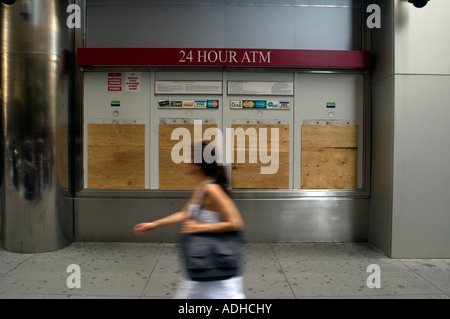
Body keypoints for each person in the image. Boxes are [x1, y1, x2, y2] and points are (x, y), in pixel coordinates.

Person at [133, 141, 245, 299]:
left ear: (198, 163)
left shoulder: (213, 189)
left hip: (216, 270)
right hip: (202, 265)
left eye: (189, 158)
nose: (185, 161)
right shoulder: (202, 187)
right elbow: (186, 214)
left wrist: (200, 228)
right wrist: (154, 224)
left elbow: (236, 222)